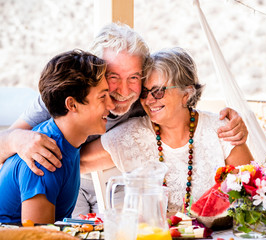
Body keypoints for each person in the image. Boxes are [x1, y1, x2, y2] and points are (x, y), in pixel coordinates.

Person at [0, 23, 248, 216]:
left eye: (134, 77)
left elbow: (179, 106)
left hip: (113, 179)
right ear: (96, 72)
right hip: (57, 177)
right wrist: (18, 140)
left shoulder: (143, 100)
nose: (123, 90)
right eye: (113, 76)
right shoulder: (64, 95)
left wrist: (231, 122)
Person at [81, 47, 254, 211]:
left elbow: (253, 191)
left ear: (186, 94)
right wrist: (53, 140)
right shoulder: (132, 135)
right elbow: (78, 161)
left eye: (158, 91)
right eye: (144, 92)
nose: (149, 100)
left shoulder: (222, 130)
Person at [0, 49, 114, 223]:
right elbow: (39, 236)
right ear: (72, 104)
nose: (111, 105)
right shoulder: (45, 159)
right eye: (102, 97)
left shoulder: (68, 141)